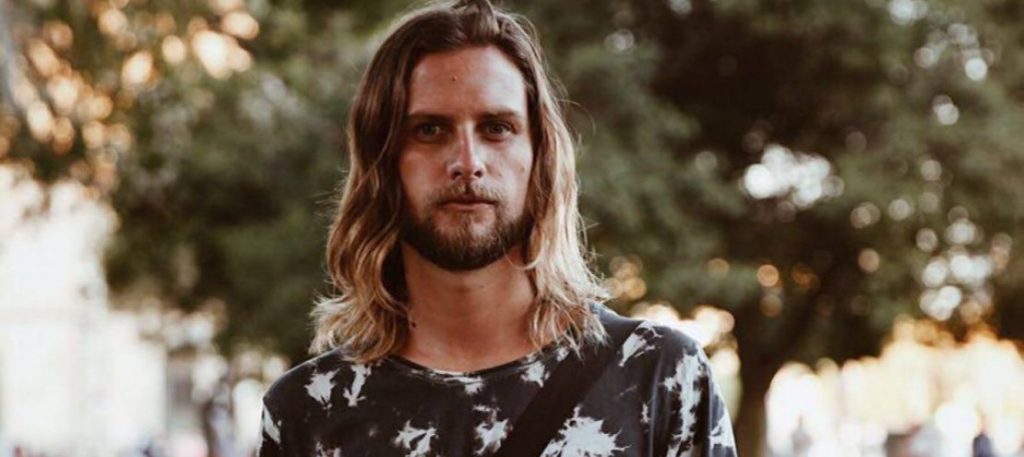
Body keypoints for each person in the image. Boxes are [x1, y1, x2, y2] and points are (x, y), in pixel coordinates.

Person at [256, 0, 736, 456]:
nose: (468, 163)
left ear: (539, 156)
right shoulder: (310, 410)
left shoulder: (658, 378)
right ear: (383, 162)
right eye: (429, 130)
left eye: (496, 128)